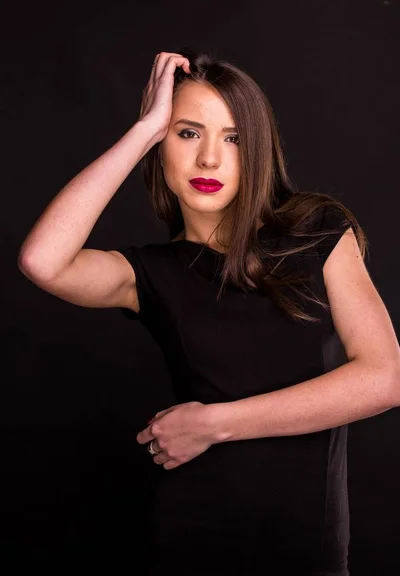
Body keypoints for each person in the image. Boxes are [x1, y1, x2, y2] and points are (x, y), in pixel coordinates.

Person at [18, 47, 400, 575]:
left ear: (258, 149)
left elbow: (385, 379)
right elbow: (42, 262)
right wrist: (144, 129)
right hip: (192, 539)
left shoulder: (315, 231)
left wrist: (214, 424)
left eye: (233, 138)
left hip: (307, 547)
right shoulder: (149, 273)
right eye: (188, 133)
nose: (209, 160)